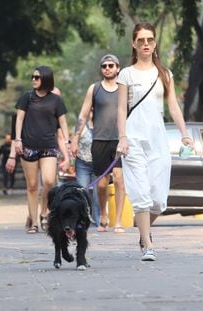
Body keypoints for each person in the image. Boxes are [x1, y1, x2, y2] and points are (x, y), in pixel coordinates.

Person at [117, 22, 194, 261]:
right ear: (134, 44)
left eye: (149, 39)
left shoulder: (164, 74)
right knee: (140, 195)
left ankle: (143, 231)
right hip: (134, 139)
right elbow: (121, 109)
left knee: (158, 201)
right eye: (141, 40)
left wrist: (184, 133)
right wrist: (122, 137)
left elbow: (173, 106)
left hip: (158, 139)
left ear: (155, 42)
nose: (145, 44)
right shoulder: (126, 74)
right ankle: (147, 244)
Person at [71, 54, 126, 233]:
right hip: (99, 141)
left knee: (119, 180)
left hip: (119, 140)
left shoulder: (124, 89)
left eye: (111, 65)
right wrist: (75, 137)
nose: (108, 68)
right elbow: (83, 114)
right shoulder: (94, 89)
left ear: (118, 68)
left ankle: (117, 221)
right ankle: (103, 215)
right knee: (102, 184)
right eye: (104, 66)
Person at [15, 66, 71, 234]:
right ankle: (33, 222)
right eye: (33, 76)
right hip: (29, 147)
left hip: (49, 146)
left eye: (37, 77)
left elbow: (63, 123)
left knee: (48, 182)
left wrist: (67, 144)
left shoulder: (56, 100)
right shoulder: (27, 97)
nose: (33, 79)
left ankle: (44, 211)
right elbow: (19, 119)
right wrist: (18, 139)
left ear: (46, 79)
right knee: (32, 185)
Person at [74, 110, 100, 225]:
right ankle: (82, 218)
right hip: (82, 163)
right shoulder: (81, 125)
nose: (92, 113)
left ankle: (98, 220)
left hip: (98, 164)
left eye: (95, 111)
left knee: (97, 194)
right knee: (82, 191)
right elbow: (74, 140)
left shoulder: (102, 124)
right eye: (90, 111)